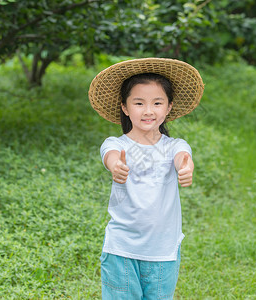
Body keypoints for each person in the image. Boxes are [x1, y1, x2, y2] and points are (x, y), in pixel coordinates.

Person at [88, 58, 204, 299]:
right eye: (139, 103)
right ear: (125, 107)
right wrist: (116, 165)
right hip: (121, 249)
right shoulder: (116, 144)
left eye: (157, 103)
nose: (148, 110)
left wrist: (186, 167)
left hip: (163, 252)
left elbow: (183, 157)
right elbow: (110, 156)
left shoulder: (175, 146)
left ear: (169, 107)